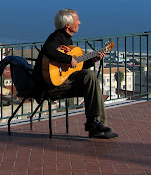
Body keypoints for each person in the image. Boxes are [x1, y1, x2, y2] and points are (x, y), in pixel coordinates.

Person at [33, 9, 118, 139]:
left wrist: (92, 60)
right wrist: (68, 59)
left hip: (60, 83)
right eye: (77, 20)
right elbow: (48, 50)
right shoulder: (57, 37)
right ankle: (95, 125)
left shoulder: (68, 41)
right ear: (67, 24)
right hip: (50, 88)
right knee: (91, 81)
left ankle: (94, 124)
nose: (79, 22)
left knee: (90, 80)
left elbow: (74, 66)